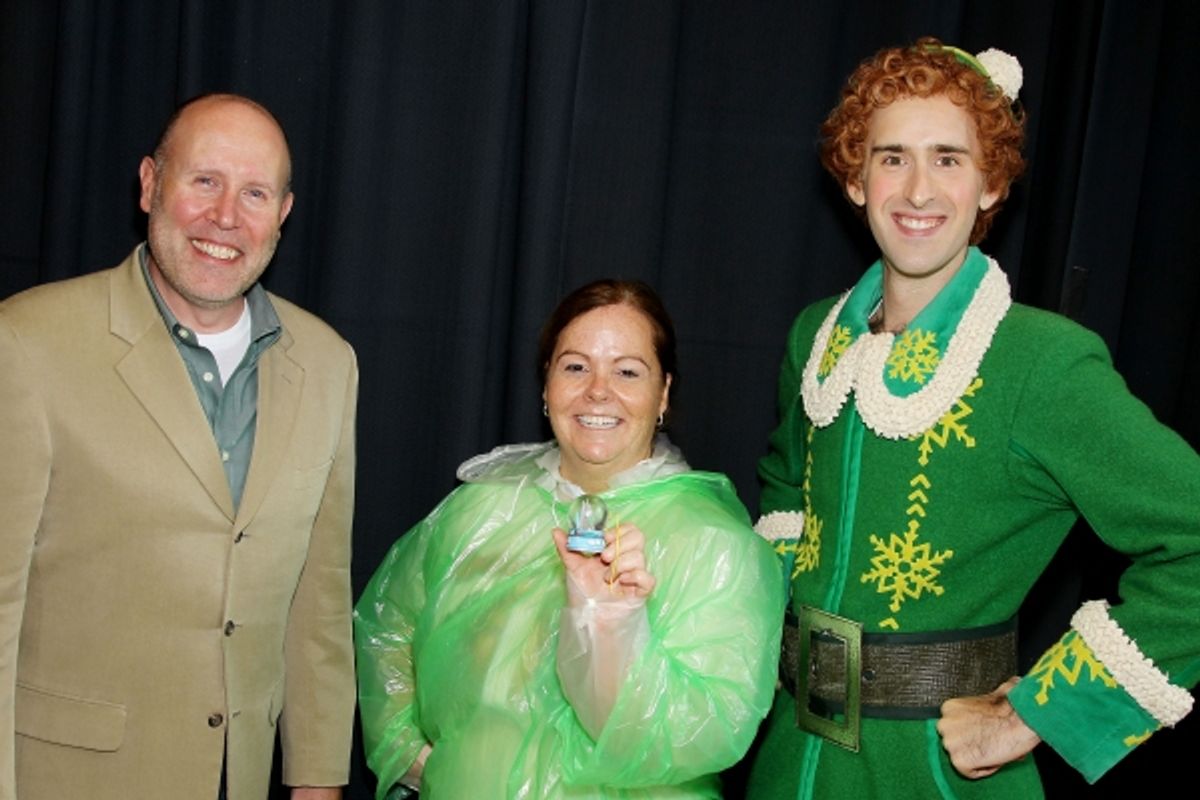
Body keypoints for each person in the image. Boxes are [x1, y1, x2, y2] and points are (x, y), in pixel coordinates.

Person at [746, 38, 1200, 799]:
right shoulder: (814, 337)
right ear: (855, 179)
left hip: (937, 779)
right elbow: (786, 488)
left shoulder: (1042, 363)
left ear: (991, 185)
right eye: (891, 157)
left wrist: (1035, 715)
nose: (917, 189)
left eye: (949, 159)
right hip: (789, 760)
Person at [0, 94, 357, 799]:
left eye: (254, 192)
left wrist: (316, 778)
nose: (226, 216)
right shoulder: (29, 342)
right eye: (204, 181)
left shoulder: (327, 363)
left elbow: (318, 602)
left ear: (283, 213)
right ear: (148, 185)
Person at [355, 279, 784, 799]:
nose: (598, 391)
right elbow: (387, 623)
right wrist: (408, 754)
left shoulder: (715, 547)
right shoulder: (480, 510)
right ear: (546, 385)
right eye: (576, 367)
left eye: (627, 371)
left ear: (664, 392)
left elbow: (703, 733)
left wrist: (609, 630)